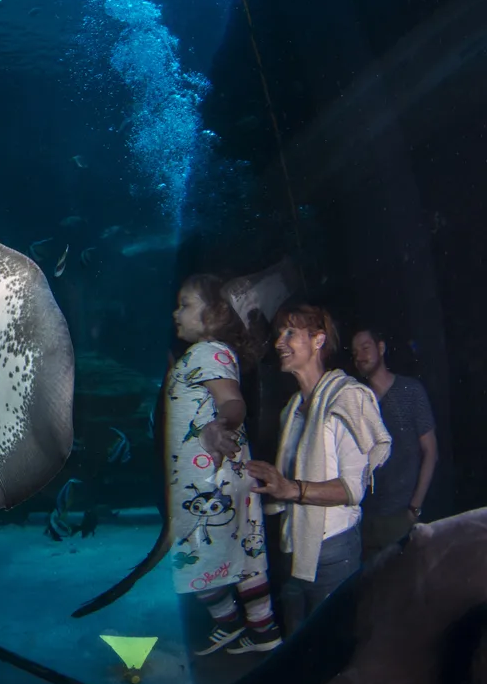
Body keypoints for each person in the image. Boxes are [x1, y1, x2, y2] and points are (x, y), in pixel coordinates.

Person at [246, 304, 391, 634]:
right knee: (297, 643)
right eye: (278, 334)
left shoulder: (348, 399)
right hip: (293, 545)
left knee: (328, 647)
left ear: (318, 340)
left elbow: (353, 489)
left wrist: (291, 489)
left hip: (332, 551)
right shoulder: (293, 409)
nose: (279, 342)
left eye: (290, 333)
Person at [168, 275, 282, 657]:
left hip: (209, 482)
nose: (176, 312)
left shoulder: (206, 352)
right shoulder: (208, 353)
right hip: (224, 476)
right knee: (244, 554)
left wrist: (223, 427)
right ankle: (261, 629)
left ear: (215, 314)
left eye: (185, 304)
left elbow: (232, 401)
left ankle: (230, 622)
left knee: (195, 555)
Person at [350, 327, 438, 559]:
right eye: (355, 352)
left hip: (401, 516)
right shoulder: (357, 400)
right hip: (366, 520)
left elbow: (430, 451)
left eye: (365, 348)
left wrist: (414, 508)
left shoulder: (410, 390)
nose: (360, 356)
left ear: (381, 348)